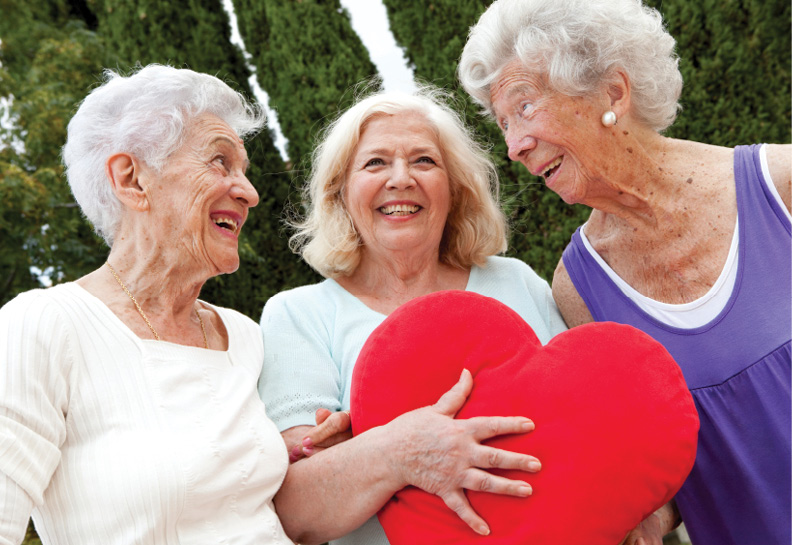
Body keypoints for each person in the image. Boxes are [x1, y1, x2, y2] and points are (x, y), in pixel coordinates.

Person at [0, 65, 549, 545]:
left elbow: (285, 493)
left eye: (243, 169)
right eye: (219, 162)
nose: (249, 191)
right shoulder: (44, 326)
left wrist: (327, 452)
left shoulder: (242, 338)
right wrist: (393, 450)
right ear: (131, 178)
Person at [458, 1, 791, 544]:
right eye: (503, 124)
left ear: (613, 91)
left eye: (525, 107)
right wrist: (632, 519)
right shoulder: (581, 285)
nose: (514, 146)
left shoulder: (780, 186)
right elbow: (668, 467)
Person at [258, 87, 568, 545]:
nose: (401, 179)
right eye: (375, 163)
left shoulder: (515, 282)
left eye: (424, 160)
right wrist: (400, 451)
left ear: (456, 189)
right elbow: (296, 512)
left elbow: (579, 414)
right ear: (340, 193)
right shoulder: (299, 315)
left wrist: (358, 452)